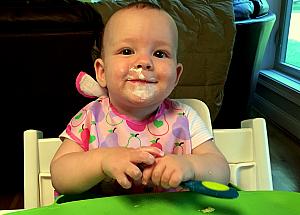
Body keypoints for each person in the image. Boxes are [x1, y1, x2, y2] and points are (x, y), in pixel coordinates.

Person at [50, 2, 230, 196]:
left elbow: (221, 172)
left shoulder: (186, 118)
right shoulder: (90, 117)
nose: (144, 62)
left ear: (176, 76)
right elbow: (60, 176)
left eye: (159, 54)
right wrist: (101, 161)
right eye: (127, 51)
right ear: (102, 72)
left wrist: (189, 165)